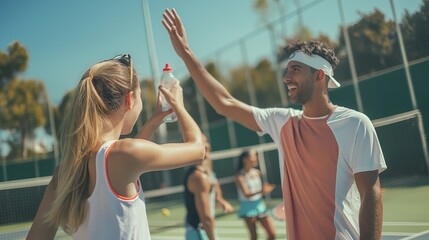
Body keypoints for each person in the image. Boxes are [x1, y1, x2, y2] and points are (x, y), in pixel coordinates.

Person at [162, 9, 387, 240]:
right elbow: (224, 103)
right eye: (287, 70)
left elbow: (371, 195)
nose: (286, 77)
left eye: (295, 70)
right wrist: (185, 52)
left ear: (320, 76)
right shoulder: (282, 122)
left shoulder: (355, 124)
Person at [26, 53, 205, 240]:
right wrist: (179, 105)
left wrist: (152, 122)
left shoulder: (65, 171)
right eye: (140, 97)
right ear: (129, 100)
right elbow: (198, 150)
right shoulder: (124, 155)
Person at [184, 135, 234, 240]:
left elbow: (215, 183)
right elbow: (206, 218)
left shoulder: (205, 171)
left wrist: (220, 199)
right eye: (202, 142)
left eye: (206, 141)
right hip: (200, 232)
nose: (207, 145)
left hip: (201, 231)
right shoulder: (199, 177)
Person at [235, 149, 276, 240]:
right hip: (247, 207)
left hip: (260, 205)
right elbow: (246, 194)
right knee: (254, 237)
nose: (255, 158)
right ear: (245, 159)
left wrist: (266, 189)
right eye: (253, 156)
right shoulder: (239, 176)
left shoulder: (257, 172)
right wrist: (261, 191)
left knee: (272, 234)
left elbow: (259, 190)